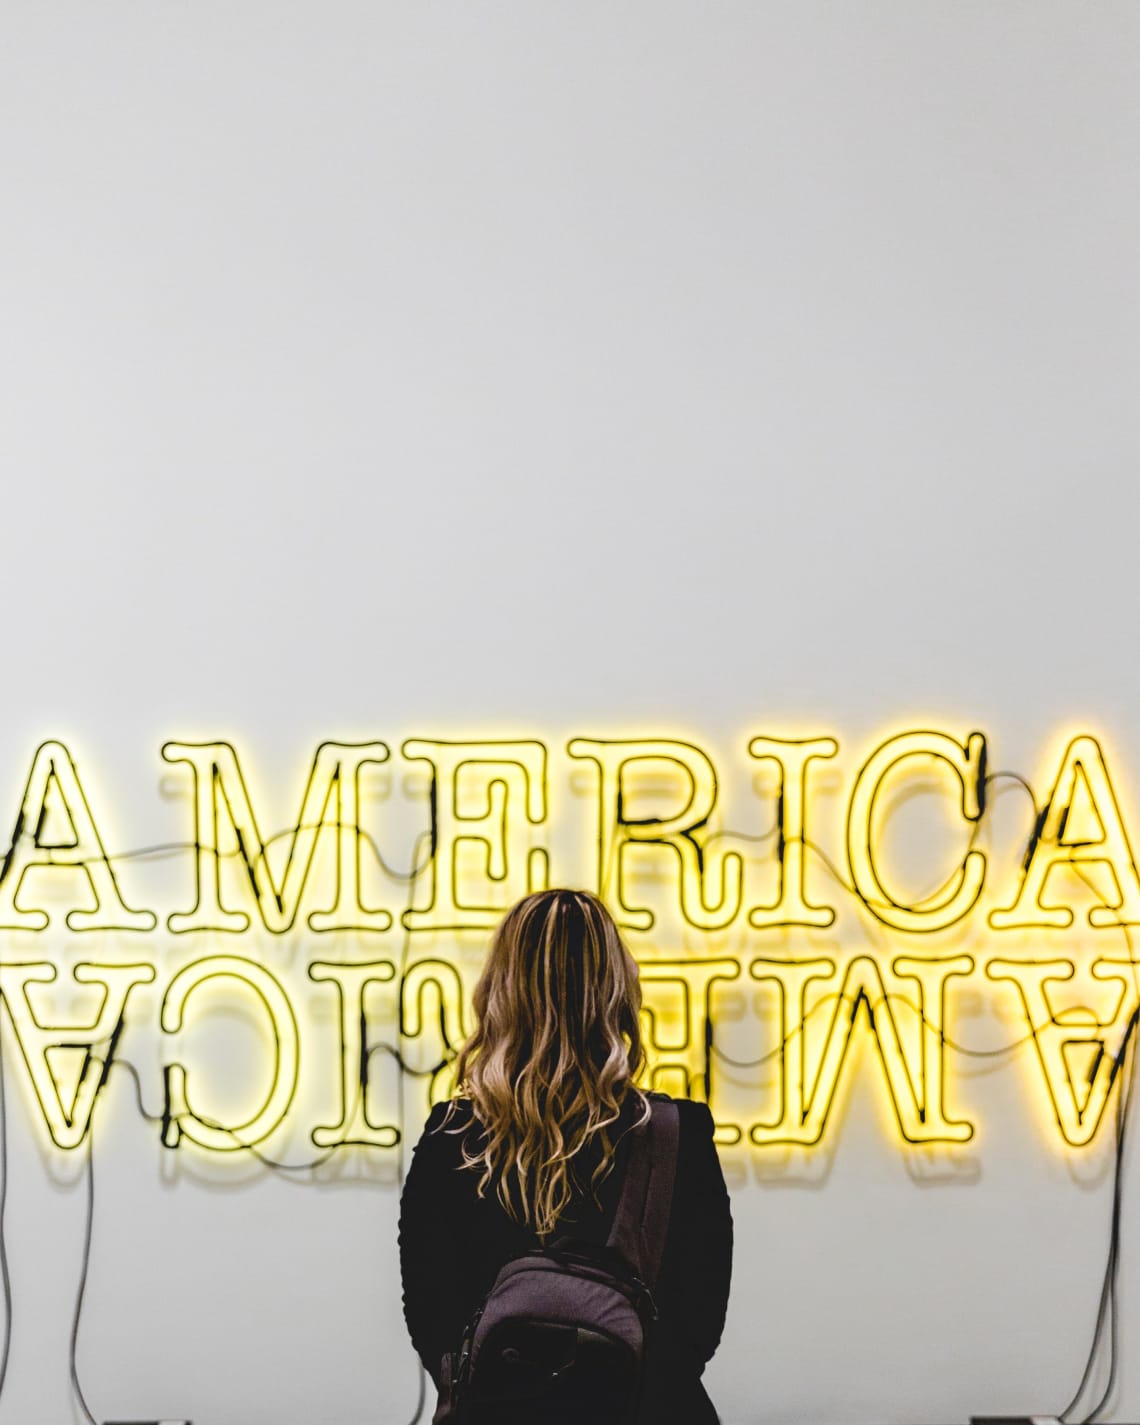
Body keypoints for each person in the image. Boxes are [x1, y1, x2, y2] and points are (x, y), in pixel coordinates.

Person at [398, 888, 733, 1424]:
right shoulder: (675, 1134)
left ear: (497, 990)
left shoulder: (450, 1136)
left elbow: (433, 1322)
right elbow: (696, 1325)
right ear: (618, 988)